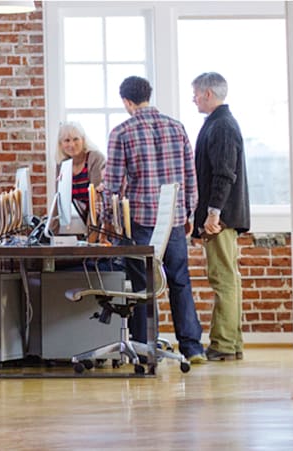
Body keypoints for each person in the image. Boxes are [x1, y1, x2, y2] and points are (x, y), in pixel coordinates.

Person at [101, 76, 206, 364]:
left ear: (126, 101)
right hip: (171, 219)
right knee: (179, 280)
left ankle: (145, 348)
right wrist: (187, 213)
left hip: (140, 220)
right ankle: (192, 347)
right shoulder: (177, 127)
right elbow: (190, 176)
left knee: (142, 284)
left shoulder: (122, 132)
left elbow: (111, 184)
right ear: (148, 95)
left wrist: (106, 221)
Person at [190, 72, 249, 362]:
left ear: (208, 94)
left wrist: (213, 214)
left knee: (222, 278)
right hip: (223, 215)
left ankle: (224, 344)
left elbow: (224, 174)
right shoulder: (220, 123)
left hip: (221, 218)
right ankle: (230, 343)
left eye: (196, 94)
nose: (194, 98)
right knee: (228, 278)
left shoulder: (222, 126)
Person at [57, 121, 107, 205]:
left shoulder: (96, 158)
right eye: (67, 140)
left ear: (83, 140)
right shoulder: (62, 164)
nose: (72, 144)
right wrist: (55, 218)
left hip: (95, 215)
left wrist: (89, 218)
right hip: (76, 216)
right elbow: (59, 199)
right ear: (61, 144)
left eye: (76, 139)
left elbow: (96, 198)